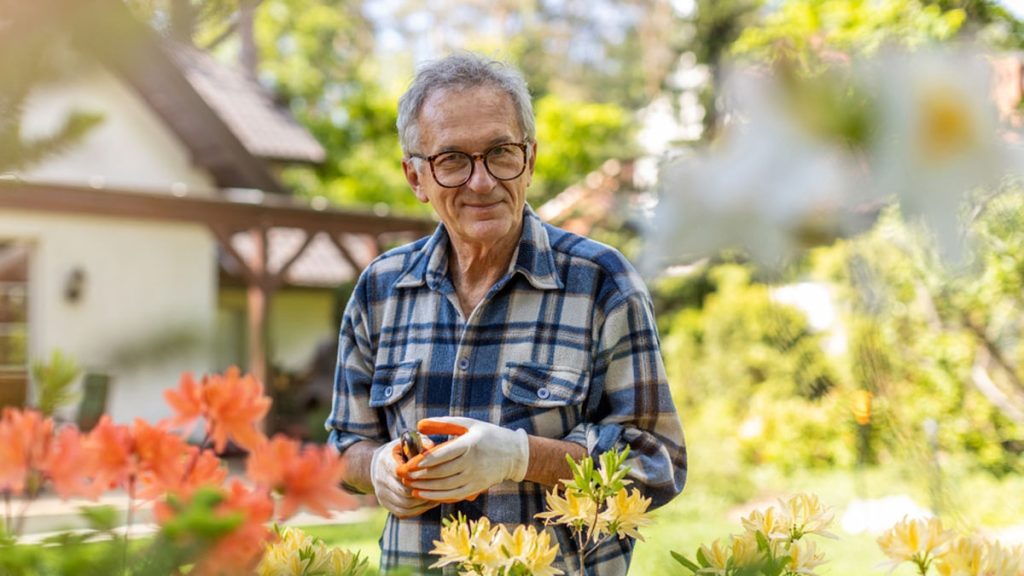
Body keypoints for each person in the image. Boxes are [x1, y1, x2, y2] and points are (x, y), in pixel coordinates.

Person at [326, 52, 686, 575]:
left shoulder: (602, 282)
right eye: (452, 159)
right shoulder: (380, 290)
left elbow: (658, 463)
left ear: (531, 159)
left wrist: (522, 457)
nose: (481, 182)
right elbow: (344, 446)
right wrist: (377, 467)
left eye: (500, 152)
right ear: (415, 176)